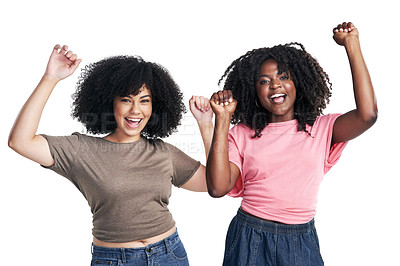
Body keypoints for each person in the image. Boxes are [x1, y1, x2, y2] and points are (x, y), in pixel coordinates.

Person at [8, 44, 213, 265]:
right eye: (126, 100)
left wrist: (206, 126)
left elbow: (215, 183)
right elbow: (20, 142)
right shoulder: (81, 150)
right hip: (114, 259)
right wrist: (50, 78)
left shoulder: (163, 152)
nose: (136, 110)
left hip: (169, 253)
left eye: (144, 101)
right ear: (110, 102)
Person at [204, 22, 377, 265]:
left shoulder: (322, 128)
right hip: (249, 235)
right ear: (254, 91)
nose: (275, 85)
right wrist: (223, 119)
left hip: (300, 239)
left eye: (283, 77)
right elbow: (218, 188)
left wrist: (352, 45)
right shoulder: (241, 134)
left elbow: (367, 115)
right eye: (264, 81)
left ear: (298, 83)